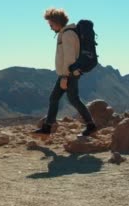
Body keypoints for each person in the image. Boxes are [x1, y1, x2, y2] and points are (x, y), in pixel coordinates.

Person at [33, 8, 97, 137]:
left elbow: (69, 58)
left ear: (57, 22)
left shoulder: (68, 34)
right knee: (56, 98)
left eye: (51, 24)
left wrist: (64, 77)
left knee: (73, 100)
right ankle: (47, 128)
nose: (50, 27)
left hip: (69, 74)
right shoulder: (66, 33)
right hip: (68, 73)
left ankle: (91, 126)